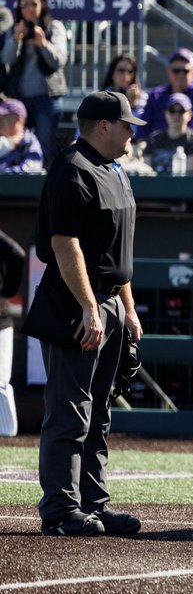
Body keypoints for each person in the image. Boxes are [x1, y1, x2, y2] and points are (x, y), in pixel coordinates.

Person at [25, 90, 144, 537]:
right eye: (127, 124)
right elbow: (63, 244)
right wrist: (91, 308)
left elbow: (117, 251)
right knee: (70, 410)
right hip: (77, 304)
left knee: (99, 412)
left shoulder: (114, 169)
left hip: (109, 302)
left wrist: (127, 309)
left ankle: (93, 502)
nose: (132, 132)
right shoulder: (72, 169)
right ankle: (60, 508)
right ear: (102, 126)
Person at [1, 0, 67, 161]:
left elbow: (59, 60)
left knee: (46, 144)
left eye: (34, 4)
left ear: (42, 5)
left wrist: (43, 44)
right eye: (24, 5)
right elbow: (7, 58)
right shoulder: (15, 29)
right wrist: (16, 38)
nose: (29, 9)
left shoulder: (54, 27)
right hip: (20, 99)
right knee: (16, 141)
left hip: (47, 98)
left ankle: (45, 182)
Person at [145, 92, 193, 174]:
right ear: (165, 113)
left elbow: (189, 175)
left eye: (181, 111)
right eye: (172, 110)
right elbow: (146, 171)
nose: (176, 115)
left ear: (189, 114)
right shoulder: (154, 139)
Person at [0, 227, 24, 437]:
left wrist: (5, 294)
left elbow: (18, 255)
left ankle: (6, 436)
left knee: (0, 382)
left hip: (0, 322)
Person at [0, 97, 44, 173]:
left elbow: (28, 173)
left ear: (19, 119)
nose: (0, 122)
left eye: (4, 118)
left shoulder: (30, 143)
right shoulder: (3, 140)